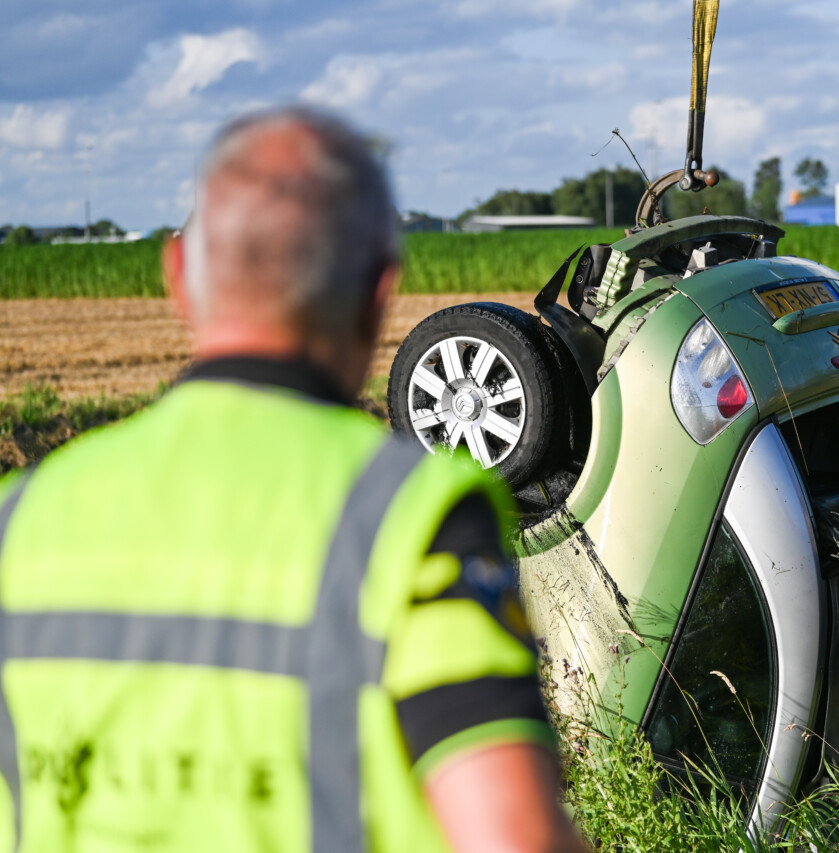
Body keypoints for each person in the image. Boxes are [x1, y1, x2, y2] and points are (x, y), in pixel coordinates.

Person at [0, 106, 589, 853]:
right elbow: (512, 837)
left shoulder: (21, 521)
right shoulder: (408, 512)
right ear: (381, 289)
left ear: (178, 274)